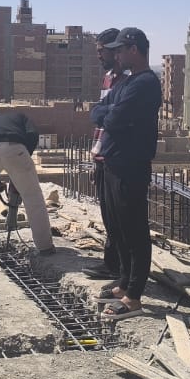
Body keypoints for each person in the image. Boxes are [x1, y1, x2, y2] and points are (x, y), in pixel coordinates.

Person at [89, 27, 161, 320]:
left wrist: (109, 115)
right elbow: (99, 111)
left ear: (134, 49)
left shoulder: (145, 84)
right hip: (113, 164)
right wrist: (108, 114)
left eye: (120, 50)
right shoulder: (127, 83)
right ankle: (123, 283)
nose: (116, 55)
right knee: (118, 228)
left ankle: (133, 297)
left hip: (131, 166)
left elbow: (114, 119)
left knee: (134, 231)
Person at [0, 111, 55, 254]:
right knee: (32, 198)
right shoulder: (21, 117)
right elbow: (33, 134)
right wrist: (25, 155)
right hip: (14, 147)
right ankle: (45, 246)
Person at [82, 28, 124, 281]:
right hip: (102, 156)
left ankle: (118, 268)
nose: (98, 56)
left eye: (101, 51)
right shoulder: (108, 78)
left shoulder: (126, 80)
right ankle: (112, 264)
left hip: (116, 157)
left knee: (119, 216)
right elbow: (100, 120)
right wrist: (95, 155)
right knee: (108, 215)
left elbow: (112, 119)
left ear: (114, 50)